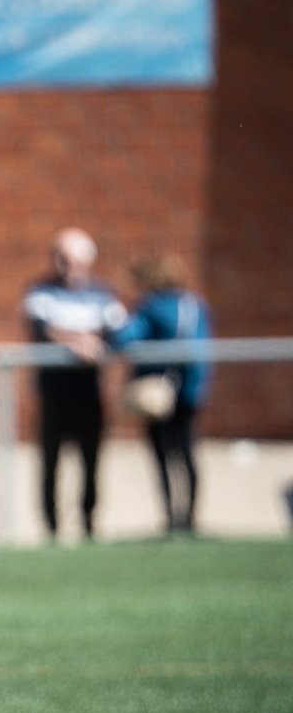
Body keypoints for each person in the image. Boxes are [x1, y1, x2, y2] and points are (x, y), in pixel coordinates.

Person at [22, 228, 126, 539]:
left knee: (91, 461)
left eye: (69, 257)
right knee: (50, 462)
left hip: (89, 393)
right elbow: (42, 327)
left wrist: (84, 338)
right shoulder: (41, 290)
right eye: (58, 256)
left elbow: (117, 328)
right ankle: (51, 527)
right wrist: (79, 341)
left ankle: (88, 523)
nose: (63, 263)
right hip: (53, 392)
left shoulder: (102, 292)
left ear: (86, 260)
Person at [109, 254, 211, 534]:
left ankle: (171, 519)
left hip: (157, 393)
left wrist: (116, 319)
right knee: (188, 453)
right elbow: (203, 348)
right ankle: (189, 518)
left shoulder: (150, 306)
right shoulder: (195, 305)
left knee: (163, 455)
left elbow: (125, 338)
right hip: (189, 390)